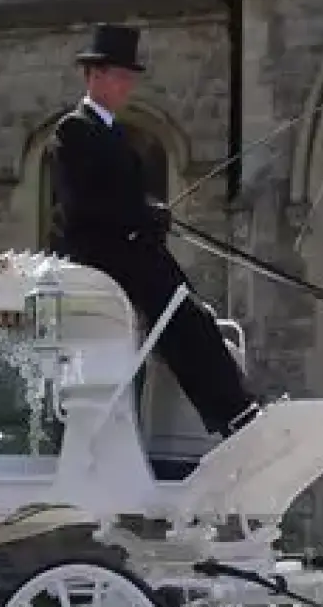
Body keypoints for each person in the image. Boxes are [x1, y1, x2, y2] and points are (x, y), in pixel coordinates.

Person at [45, 23, 261, 438]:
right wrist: (143, 215)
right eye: (118, 76)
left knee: (194, 315)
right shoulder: (74, 130)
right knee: (182, 314)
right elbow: (82, 206)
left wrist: (148, 217)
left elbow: (125, 201)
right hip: (105, 255)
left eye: (129, 77)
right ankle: (233, 414)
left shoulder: (115, 134)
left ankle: (234, 407)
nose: (126, 86)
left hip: (133, 251)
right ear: (93, 76)